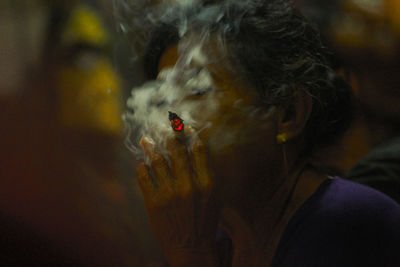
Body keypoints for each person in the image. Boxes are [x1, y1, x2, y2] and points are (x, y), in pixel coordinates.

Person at [133, 0, 400, 266]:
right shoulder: (218, 237)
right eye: (163, 99)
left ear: (288, 114)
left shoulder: (347, 221)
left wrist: (189, 252)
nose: (174, 121)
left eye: (197, 91)